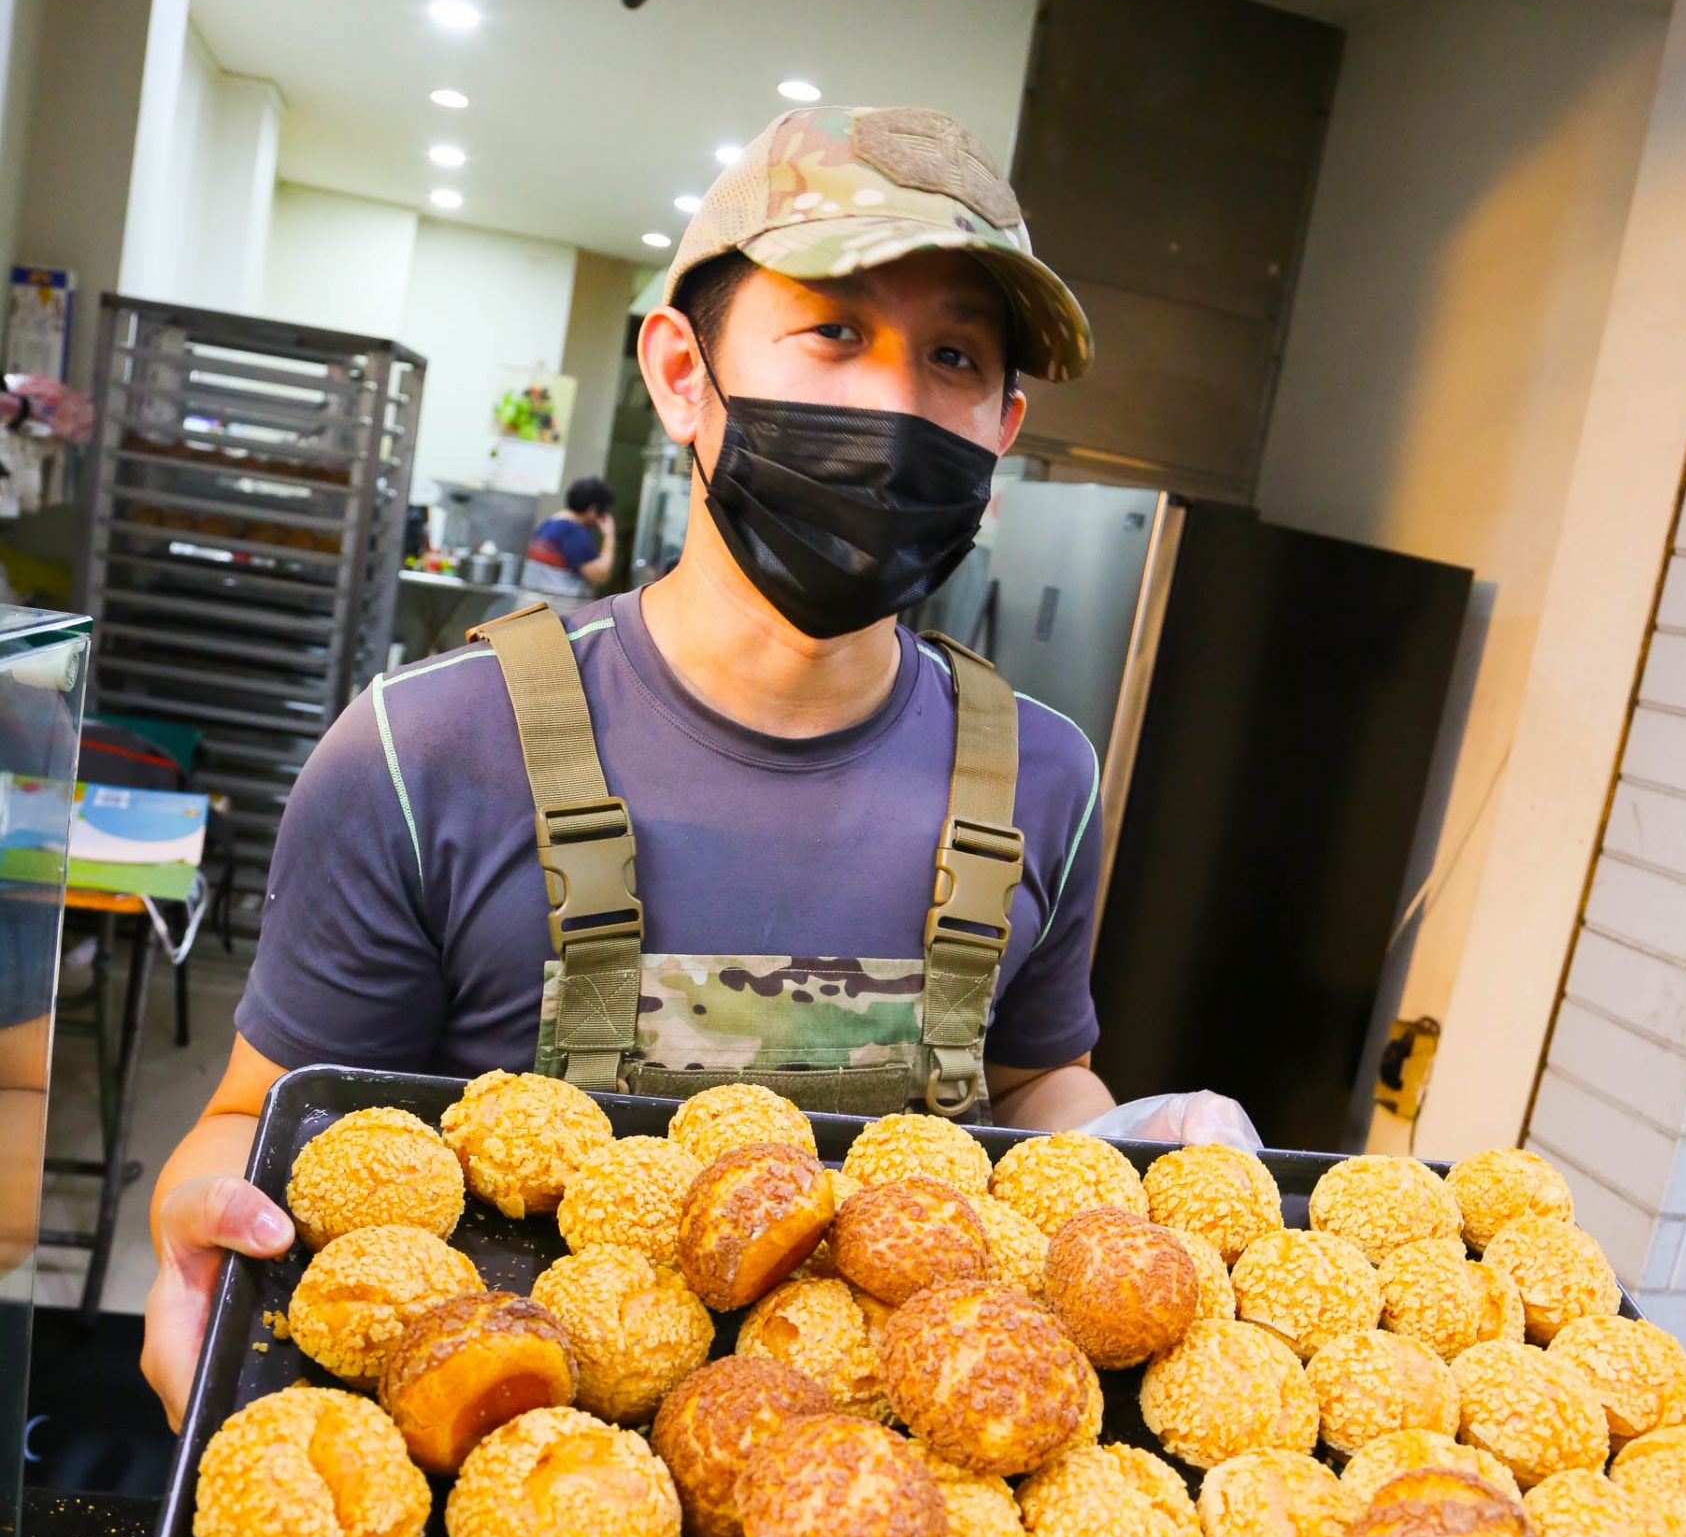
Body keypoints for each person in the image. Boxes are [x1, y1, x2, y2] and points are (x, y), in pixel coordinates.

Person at [142, 102, 1244, 1428]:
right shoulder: (430, 747)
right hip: (496, 1473)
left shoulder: (1040, 779)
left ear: (1003, 425)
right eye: (833, 330)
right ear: (679, 371)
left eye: (951, 355)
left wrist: (1131, 1162)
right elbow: (258, 1117)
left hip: (888, 1503)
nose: (893, 402)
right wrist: (196, 1213)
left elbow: (1024, 1080)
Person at [521, 475, 616, 596]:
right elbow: (600, 575)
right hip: (558, 606)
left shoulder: (548, 524)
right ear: (593, 509)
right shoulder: (573, 531)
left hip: (531, 602)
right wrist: (609, 536)